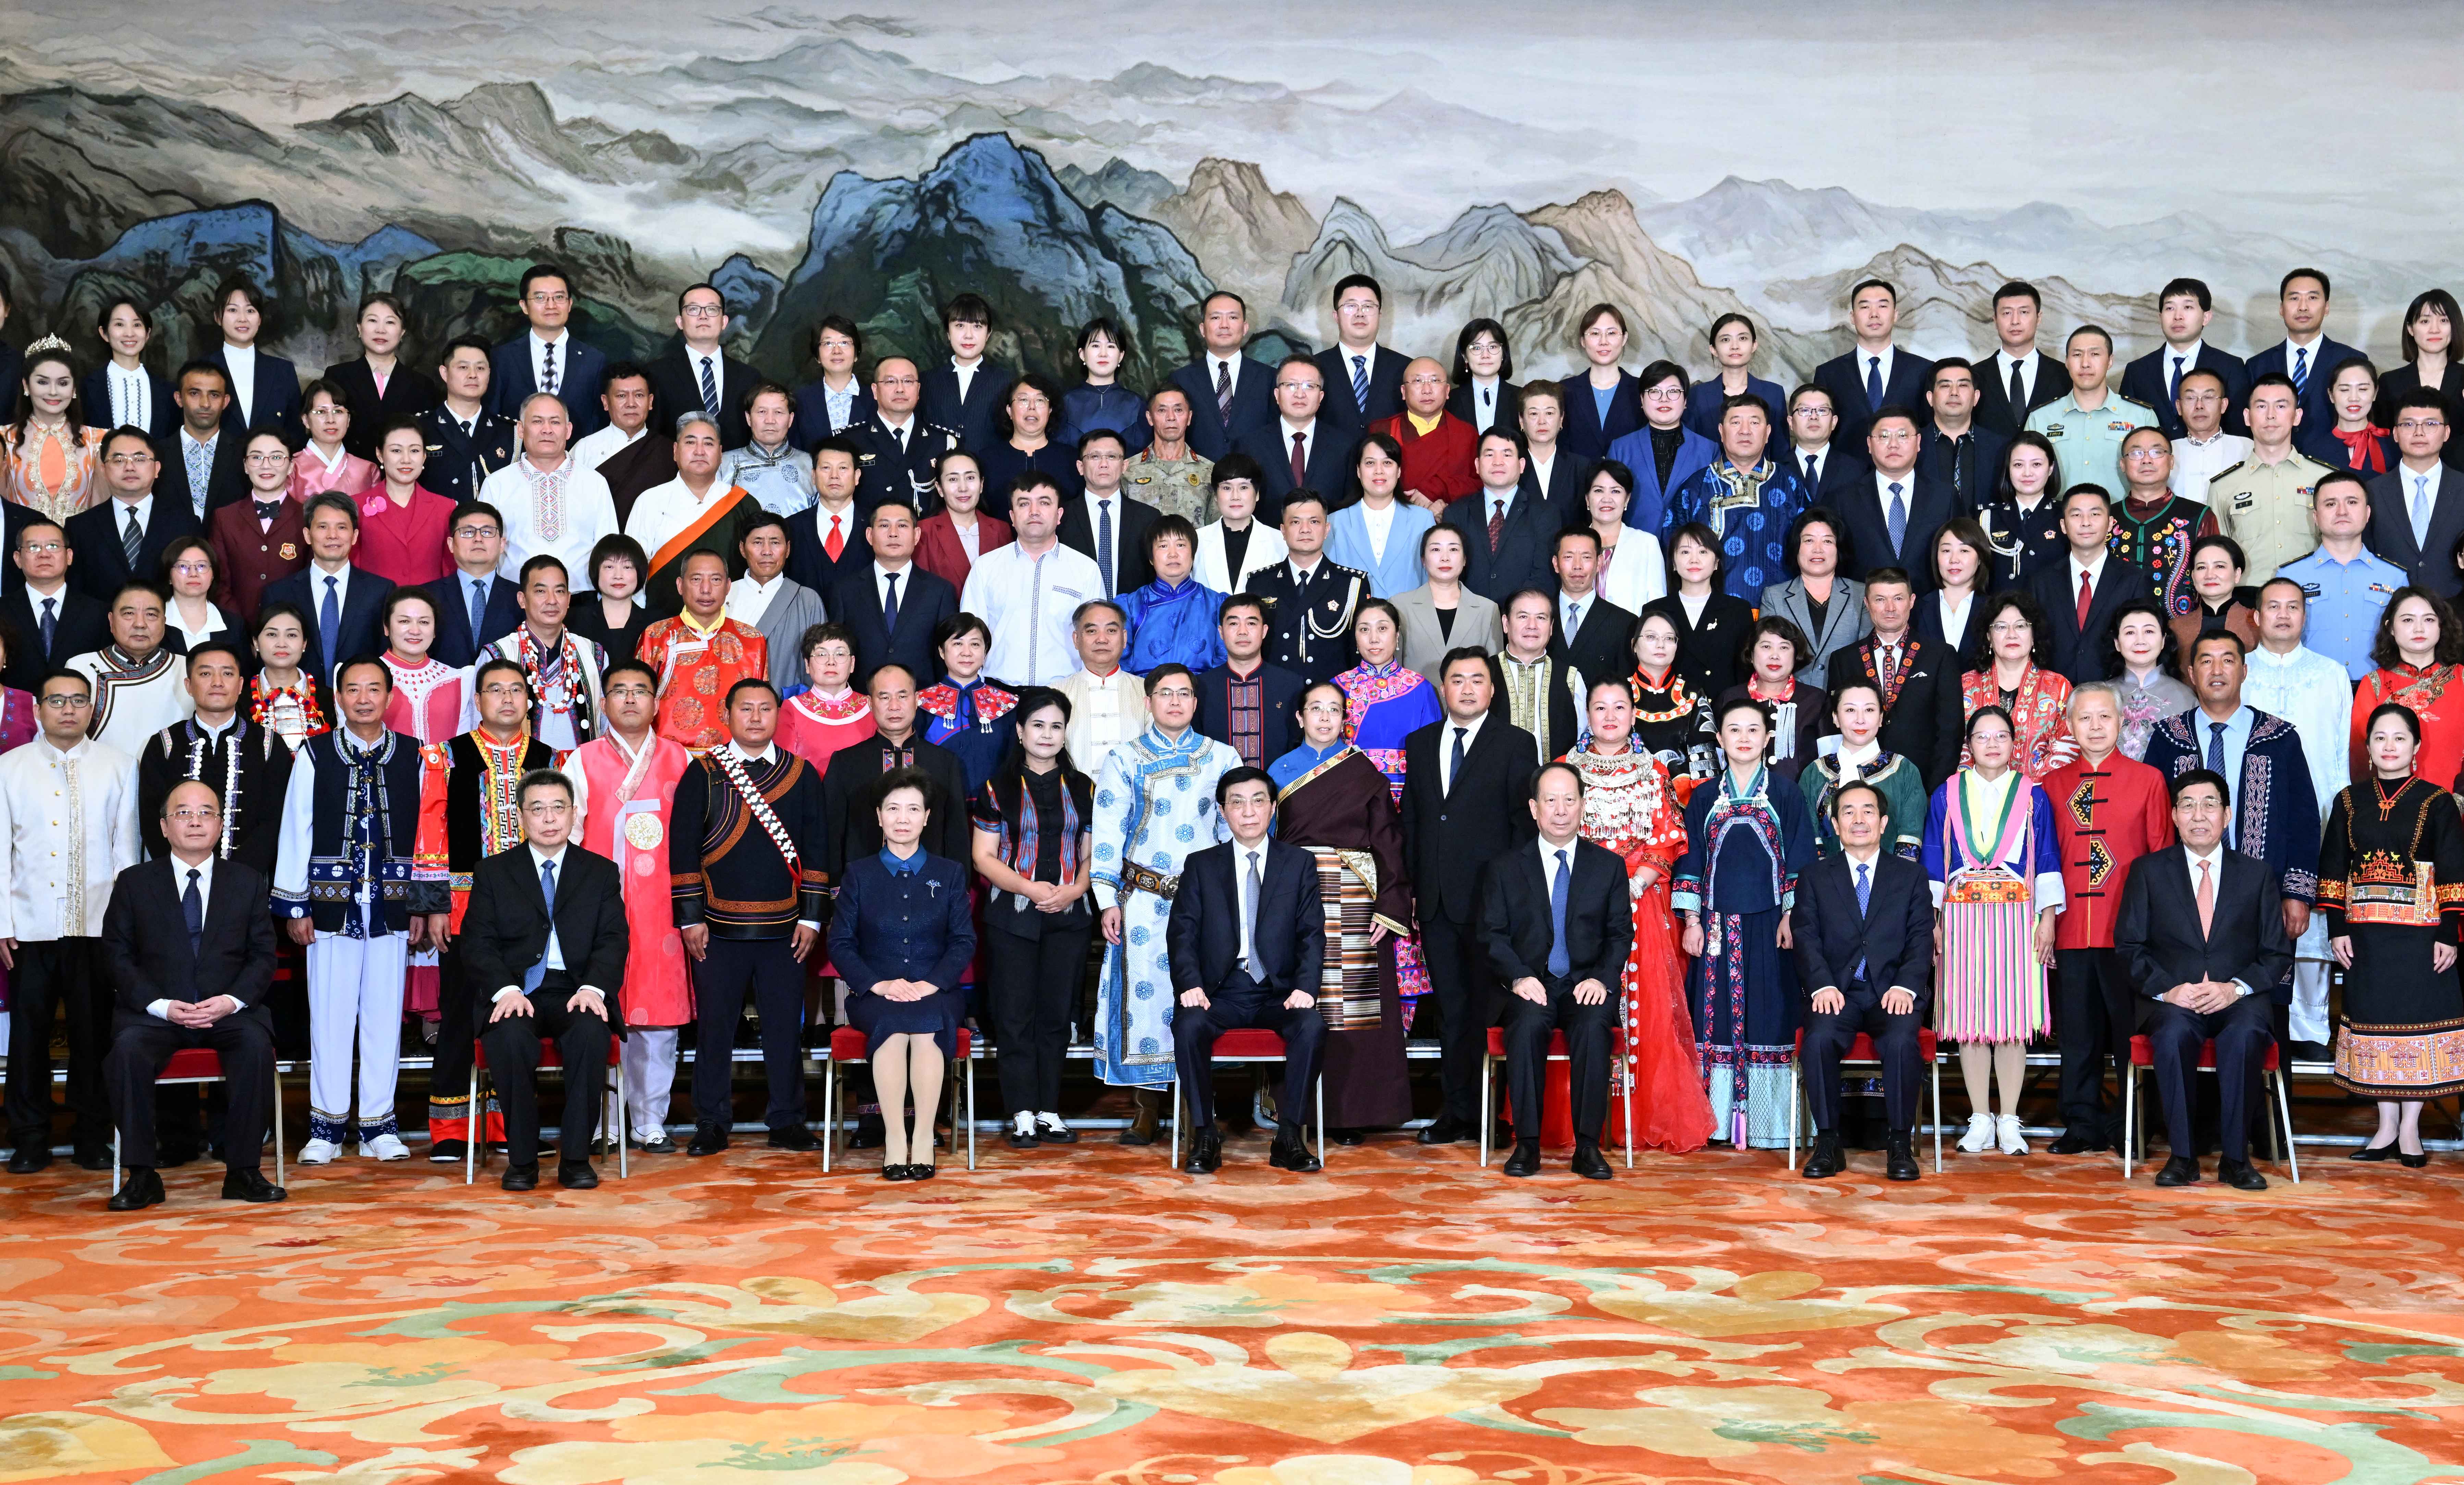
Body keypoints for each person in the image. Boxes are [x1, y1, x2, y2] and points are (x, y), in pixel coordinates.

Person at [270, 658, 436, 1163]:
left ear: (390, 697)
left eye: (374, 689)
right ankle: (326, 1129)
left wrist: (422, 904)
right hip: (328, 908)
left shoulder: (414, 755)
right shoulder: (314, 753)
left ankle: (378, 1128)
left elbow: (428, 838)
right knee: (330, 1018)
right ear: (338, 698)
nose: (364, 699)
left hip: (392, 907)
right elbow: (295, 828)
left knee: (385, 1018)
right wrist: (296, 905)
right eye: (353, 690)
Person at [99, 780, 284, 1208]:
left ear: (221, 825)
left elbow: (263, 956)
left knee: (256, 1046)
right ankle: (142, 1176)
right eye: (183, 813)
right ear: (165, 827)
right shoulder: (134, 883)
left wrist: (231, 1002)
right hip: (157, 1014)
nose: (195, 821)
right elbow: (117, 955)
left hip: (228, 1012)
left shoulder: (247, 882)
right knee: (127, 1051)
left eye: (206, 813)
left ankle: (244, 1172)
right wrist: (161, 1006)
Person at [2113, 768, 2294, 1189]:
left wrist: (2234, 989)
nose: (2198, 815)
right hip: (2175, 999)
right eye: (2188, 806)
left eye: (2209, 805)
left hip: (2237, 999)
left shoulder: (2256, 874)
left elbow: (2275, 953)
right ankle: (2182, 1157)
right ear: (2174, 816)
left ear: (2226, 815)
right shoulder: (2147, 871)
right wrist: (2168, 990)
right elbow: (2129, 946)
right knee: (2173, 1034)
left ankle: (2236, 1159)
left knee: (2245, 1035)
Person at [671, 679, 826, 1155]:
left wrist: (812, 918)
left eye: (765, 709)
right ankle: (711, 1121)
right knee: (715, 1028)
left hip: (786, 929)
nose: (756, 718)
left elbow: (816, 848)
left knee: (784, 1029)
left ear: (778, 715)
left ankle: (787, 1120)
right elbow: (683, 849)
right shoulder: (703, 772)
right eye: (746, 709)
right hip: (716, 929)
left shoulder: (801, 774)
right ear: (727, 714)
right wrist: (690, 917)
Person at [408, 656, 556, 1156]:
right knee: (458, 1013)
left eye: (516, 690)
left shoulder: (549, 758)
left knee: (519, 1014)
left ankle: (512, 1127)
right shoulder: (447, 757)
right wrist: (435, 906)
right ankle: (453, 1131)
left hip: (532, 909)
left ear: (528, 700)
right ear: (477, 700)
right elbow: (431, 833)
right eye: (496, 690)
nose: (507, 699)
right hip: (463, 907)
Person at [1563, 677, 1715, 1154]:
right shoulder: (1565, 769)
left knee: (1645, 1010)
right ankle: (1577, 1120)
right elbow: (1555, 833)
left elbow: (1667, 839)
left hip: (1641, 901)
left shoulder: (1653, 771)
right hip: (1577, 902)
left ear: (1633, 715)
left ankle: (1642, 1115)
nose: (1609, 717)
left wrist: (1630, 887)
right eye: (1600, 707)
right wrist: (1594, 891)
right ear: (1587, 714)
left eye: (1619, 708)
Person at [0, 669, 141, 1174]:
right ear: (38, 709)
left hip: (98, 924)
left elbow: (127, 851)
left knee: (93, 1035)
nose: (68, 709)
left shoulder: (119, 766)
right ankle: (29, 1138)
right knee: (28, 1037)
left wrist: (126, 927)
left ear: (92, 708)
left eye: (78, 700)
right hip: (30, 925)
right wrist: (2, 922)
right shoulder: (10, 767)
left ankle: (92, 1136)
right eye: (57, 700)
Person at [1091, 665, 1240, 1139]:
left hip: (1204, 901)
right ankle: (1147, 1105)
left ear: (1196, 702)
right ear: (1148, 701)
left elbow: (1233, 831)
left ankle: (1197, 1109)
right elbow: (1108, 830)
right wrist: (1106, 898)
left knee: (1200, 996)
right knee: (1146, 999)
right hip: (1143, 899)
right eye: (1165, 693)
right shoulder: (1123, 758)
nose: (1175, 702)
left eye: (1184, 694)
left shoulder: (1222, 757)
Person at [462, 768, 627, 1190]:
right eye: (537, 809)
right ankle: (522, 1161)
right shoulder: (493, 872)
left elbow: (613, 940)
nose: (549, 818)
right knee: (509, 1037)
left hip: (576, 990)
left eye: (558, 807)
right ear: (520, 816)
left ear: (574, 813)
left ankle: (576, 1159)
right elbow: (478, 943)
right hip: (516, 991)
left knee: (590, 1033)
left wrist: (593, 988)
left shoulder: (600, 872)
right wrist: (505, 990)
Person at [1403, 648, 1539, 1144]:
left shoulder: (1515, 743)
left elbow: (1522, 827)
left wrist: (1515, 899)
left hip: (1491, 904)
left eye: (1476, 679)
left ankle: (1492, 1116)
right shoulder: (1419, 743)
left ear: (1491, 689)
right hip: (1436, 902)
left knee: (1491, 1010)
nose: (1466, 688)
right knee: (1451, 1010)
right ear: (1442, 688)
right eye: (1456, 679)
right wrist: (1414, 889)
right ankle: (1456, 1113)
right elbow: (1414, 821)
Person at [1269, 683, 1415, 1143]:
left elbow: (1388, 839)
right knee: (1305, 996)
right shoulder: (1278, 771)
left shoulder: (1363, 770)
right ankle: (1298, 1110)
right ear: (1299, 718)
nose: (1325, 718)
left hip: (1354, 897)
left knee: (1354, 1006)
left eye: (1334, 710)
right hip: (1297, 894)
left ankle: (1352, 1114)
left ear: (1344, 719)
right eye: (1316, 709)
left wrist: (1389, 905)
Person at [2322, 703, 2464, 1167]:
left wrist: (2448, 932)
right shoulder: (2348, 801)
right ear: (2367, 748)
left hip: (2422, 935)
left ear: (2415, 746)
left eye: (2399, 738)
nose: (2389, 746)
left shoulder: (2437, 801)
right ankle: (2384, 1127)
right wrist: (2336, 928)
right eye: (2379, 738)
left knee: (2416, 1022)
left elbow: (2452, 867)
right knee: (2373, 1021)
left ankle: (2409, 1129)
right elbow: (2333, 867)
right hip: (2364, 935)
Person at [1167, 766, 1327, 1174]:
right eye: (1236, 803)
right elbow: (1182, 932)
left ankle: (1289, 1136)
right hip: (1220, 992)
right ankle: (1204, 1135)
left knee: (1311, 1026)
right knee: (1188, 1025)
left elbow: (1311, 933)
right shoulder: (1202, 865)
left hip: (1278, 993)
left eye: (1258, 801)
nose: (1248, 811)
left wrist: (1306, 987)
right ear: (1223, 811)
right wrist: (1190, 984)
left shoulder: (1298, 863)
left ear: (1272, 808)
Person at [1923, 705, 2063, 1157]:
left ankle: (2009, 1119)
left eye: (2000, 736)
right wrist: (1932, 921)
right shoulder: (1946, 793)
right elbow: (1933, 857)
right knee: (1968, 1021)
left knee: (2011, 1021)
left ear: (2013, 743)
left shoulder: (2032, 794)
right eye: (1981, 736)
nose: (1991, 744)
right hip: (1960, 917)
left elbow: (2047, 857)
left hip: (2017, 917)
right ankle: (1980, 1118)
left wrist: (2048, 919)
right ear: (1968, 745)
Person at [2040, 683, 2174, 1154]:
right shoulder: (2051, 786)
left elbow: (2162, 859)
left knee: (2128, 1034)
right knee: (2077, 1036)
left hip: (2129, 935)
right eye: (2084, 718)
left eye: (2104, 717)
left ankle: (2131, 1126)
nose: (2095, 727)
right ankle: (2081, 1125)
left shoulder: (2148, 780)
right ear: (2069, 725)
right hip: (2070, 930)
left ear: (2121, 722)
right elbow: (2044, 861)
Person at [1675, 696, 1814, 1147]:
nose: (1743, 738)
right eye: (1733, 730)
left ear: (1768, 738)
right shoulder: (1702, 797)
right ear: (1719, 738)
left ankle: (1770, 1127)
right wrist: (1691, 920)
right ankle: (1715, 1122)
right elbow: (1691, 861)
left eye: (1753, 730)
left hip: (1770, 926)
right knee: (1712, 1020)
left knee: (1771, 1013)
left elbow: (1799, 860)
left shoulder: (1786, 793)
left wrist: (1791, 914)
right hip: (1715, 925)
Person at [1483, 758, 1631, 1179]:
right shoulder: (1505, 867)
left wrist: (1602, 977)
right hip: (1532, 982)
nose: (1560, 810)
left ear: (1583, 804)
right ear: (1534, 808)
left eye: (1569, 800)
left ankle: (1587, 1147)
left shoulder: (1608, 866)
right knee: (1527, 1024)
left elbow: (1620, 933)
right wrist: (1518, 976)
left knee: (1592, 1026)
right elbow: (1492, 935)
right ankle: (1527, 1145)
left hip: (1585, 982)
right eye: (1550, 801)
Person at [572, 661, 693, 1154]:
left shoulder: (681, 759)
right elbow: (568, 836)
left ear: (656, 703)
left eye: (640, 690)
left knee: (658, 1017)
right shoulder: (581, 759)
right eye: (618, 691)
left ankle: (650, 1121)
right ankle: (607, 1123)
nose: (629, 699)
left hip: (663, 907)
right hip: (600, 907)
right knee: (601, 1010)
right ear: (603, 704)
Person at [831, 768, 976, 1181]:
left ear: (927, 817)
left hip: (937, 991)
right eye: (893, 809)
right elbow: (840, 943)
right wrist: (879, 985)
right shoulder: (859, 874)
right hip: (874, 994)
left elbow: (963, 941)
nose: (902, 818)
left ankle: (924, 1136)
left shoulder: (949, 873)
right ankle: (895, 1139)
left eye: (913, 809)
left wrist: (930, 984)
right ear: (879, 816)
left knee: (927, 1026)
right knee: (893, 1028)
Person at [2142, 634, 2324, 954]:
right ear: (2191, 673)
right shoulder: (2168, 738)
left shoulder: (2280, 738)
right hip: (2183, 898)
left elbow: (2304, 821)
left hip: (2264, 895)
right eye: (2206, 661)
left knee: (2261, 984)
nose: (2217, 670)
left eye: (2228, 660)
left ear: (2244, 671)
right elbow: (2151, 820)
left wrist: (2297, 894)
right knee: (2190, 983)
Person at [1791, 778, 1933, 1181]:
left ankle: (1899, 1143)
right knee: (1818, 1039)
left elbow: (1921, 938)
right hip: (1837, 991)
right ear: (1835, 825)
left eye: (1868, 811)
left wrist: (1905, 986)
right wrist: (1821, 985)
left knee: (1902, 1040)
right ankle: (1827, 1142)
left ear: (1883, 822)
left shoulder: (1910, 876)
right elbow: (1805, 936)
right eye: (1848, 812)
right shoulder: (1815, 877)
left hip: (1891, 992)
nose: (1858, 820)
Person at [971, 690, 1094, 1148]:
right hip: (1012, 917)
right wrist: (1029, 888)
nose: (1047, 735)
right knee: (1015, 1014)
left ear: (1065, 733)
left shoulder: (1083, 788)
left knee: (1056, 1015)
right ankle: (1021, 1111)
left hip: (1070, 915)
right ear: (1020, 731)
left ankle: (1049, 1110)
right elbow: (983, 857)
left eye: (1056, 726)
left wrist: (1074, 890)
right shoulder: (995, 787)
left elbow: (1091, 853)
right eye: (1038, 725)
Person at [2242, 576, 2357, 1059]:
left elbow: (2340, 752)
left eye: (2293, 607)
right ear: (2256, 616)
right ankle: (2253, 1017)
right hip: (2251, 816)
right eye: (2273, 606)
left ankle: (2308, 1028)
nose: (2283, 615)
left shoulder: (2330, 674)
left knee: (2310, 916)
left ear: (2305, 617)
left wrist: (2342, 817)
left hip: (2320, 813)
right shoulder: (2239, 668)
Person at [134, 643, 292, 873]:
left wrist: (236, 878)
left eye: (227, 673)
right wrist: (183, 873)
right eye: (206, 674)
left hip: (249, 881)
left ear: (241, 685)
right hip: (177, 880)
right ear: (189, 685)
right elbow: (151, 820)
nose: (218, 682)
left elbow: (275, 821)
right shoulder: (164, 744)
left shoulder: (269, 744)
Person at [816, 665, 972, 887]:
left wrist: (956, 895)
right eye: (884, 697)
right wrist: (836, 896)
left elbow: (957, 838)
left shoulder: (945, 763)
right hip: (862, 893)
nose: (894, 706)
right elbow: (830, 838)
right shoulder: (845, 763)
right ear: (870, 703)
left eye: (902, 696)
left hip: (930, 892)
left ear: (917, 700)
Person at [962, 474, 1105, 688]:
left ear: (1059, 515)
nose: (1034, 512)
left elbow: (1096, 638)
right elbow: (969, 637)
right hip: (997, 693)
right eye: (1024, 504)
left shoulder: (1086, 569)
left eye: (1044, 503)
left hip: (1065, 693)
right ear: (1012, 516)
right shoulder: (985, 568)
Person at [1825, 568, 1963, 788]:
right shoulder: (1844, 660)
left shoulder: (1940, 655)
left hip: (1920, 782)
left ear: (1912, 601)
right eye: (1880, 600)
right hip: (1856, 784)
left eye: (1898, 599)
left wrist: (1935, 790)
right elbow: (1834, 727)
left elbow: (1951, 730)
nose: (1890, 608)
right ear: (1867, 604)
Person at [1662, 395, 1804, 607]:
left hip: (1780, 611)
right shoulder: (1695, 487)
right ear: (1721, 431)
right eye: (1736, 422)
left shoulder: (1790, 484)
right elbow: (1671, 550)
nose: (1745, 431)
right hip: (1711, 611)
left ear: (1768, 433)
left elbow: (1810, 547)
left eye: (1754, 423)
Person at [480, 394, 621, 592]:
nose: (547, 430)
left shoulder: (594, 483)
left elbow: (609, 551)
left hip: (582, 600)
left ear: (568, 430)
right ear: (521, 429)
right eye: (537, 421)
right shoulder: (496, 484)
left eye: (555, 422)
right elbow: (485, 552)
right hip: (515, 600)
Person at [625, 414, 767, 607]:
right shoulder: (649, 502)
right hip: (662, 620)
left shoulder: (744, 505)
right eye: (691, 442)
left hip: (732, 618)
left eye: (708, 444)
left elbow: (759, 572)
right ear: (675, 451)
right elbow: (632, 572)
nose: (700, 451)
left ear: (721, 453)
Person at [2279, 472, 2406, 680]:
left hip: (2379, 690)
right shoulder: (2289, 576)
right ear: (2315, 517)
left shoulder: (2395, 577)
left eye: (2352, 502)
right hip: (2309, 688)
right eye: (2331, 504)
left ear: (2368, 513)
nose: (2342, 511)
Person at [637, 550, 768, 753]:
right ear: (680, 585)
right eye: (696, 579)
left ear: (728, 586)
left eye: (716, 580)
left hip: (734, 757)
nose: (706, 590)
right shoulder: (656, 635)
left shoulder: (752, 640)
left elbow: (762, 707)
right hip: (667, 756)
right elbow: (638, 704)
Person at [2208, 373, 2333, 583]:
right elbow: (2217, 556)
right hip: (2248, 597)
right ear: (2247, 417)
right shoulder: (2223, 487)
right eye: (2261, 406)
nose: (2271, 416)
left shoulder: (2325, 479)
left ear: (2297, 416)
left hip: (2311, 593)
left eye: (2281, 406)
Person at [480, 557, 610, 756]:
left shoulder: (594, 654)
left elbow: (607, 725)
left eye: (560, 591)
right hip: (518, 771)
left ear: (569, 599)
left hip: (583, 769)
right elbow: (477, 727)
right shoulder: (497, 656)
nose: (552, 600)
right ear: (522, 600)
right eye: (541, 591)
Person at [66, 426, 203, 601]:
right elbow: (75, 594)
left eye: (139, 459)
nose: (129, 467)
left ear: (157, 469)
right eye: (119, 460)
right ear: (103, 469)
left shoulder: (186, 525)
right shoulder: (80, 528)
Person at [1245, 492, 1367, 686]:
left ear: (1326, 530)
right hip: (1276, 694)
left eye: (1314, 522)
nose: (1305, 530)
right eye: (1296, 522)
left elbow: (1358, 653)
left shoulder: (1352, 584)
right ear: (1283, 531)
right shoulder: (1259, 583)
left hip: (1331, 697)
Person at [2352, 587, 2464, 793]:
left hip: (2456, 801)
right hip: (2391, 804)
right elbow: (2361, 756)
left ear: (2441, 626)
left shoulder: (2462, 679)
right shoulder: (2374, 683)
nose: (2419, 629)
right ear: (2391, 628)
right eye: (2408, 620)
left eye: (2429, 620)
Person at [1332, 600, 1442, 806]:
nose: (1374, 639)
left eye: (1382, 629)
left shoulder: (1421, 688)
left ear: (1397, 635)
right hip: (1349, 800)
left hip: (1410, 801)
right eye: (1364, 630)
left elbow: (1434, 756)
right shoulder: (1337, 687)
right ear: (1355, 638)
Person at [2026, 485, 2139, 684]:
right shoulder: (2041, 583)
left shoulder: (2134, 580)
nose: (2086, 523)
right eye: (2076, 515)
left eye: (2095, 514)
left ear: (2111, 523)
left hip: (2115, 693)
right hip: (2053, 693)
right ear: (2063, 525)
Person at [66, 582, 195, 757]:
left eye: (151, 615)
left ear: (164, 622)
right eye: (129, 614)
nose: (140, 624)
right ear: (111, 621)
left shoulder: (188, 669)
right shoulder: (80, 667)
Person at [1802, 680, 1926, 859]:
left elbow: (1910, 839)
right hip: (1826, 875)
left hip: (1891, 876)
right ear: (1836, 718)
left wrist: (1893, 877)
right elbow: (1809, 839)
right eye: (1850, 710)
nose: (1860, 720)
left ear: (1881, 718)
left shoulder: (1904, 770)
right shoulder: (1815, 773)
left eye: (1869, 710)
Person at [1960, 590, 2076, 781]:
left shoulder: (2058, 687)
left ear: (2034, 635)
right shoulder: (1965, 685)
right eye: (2001, 627)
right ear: (1989, 636)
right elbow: (1955, 746)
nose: (2012, 635)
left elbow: (2067, 748)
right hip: (1973, 793)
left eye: (2021, 626)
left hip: (2038, 793)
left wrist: (2027, 790)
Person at [2027, 325, 2159, 491]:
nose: (2085, 364)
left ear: (2110, 361)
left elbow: (2157, 476)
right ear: (2067, 362)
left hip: (2121, 508)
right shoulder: (2040, 418)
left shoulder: (2141, 416)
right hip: (2059, 508)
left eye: (2095, 354)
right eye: (2077, 355)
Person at [2120, 277, 2251, 440]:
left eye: (2188, 307)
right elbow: (2127, 431)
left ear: (2206, 317)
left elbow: (2238, 433)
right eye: (2170, 308)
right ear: (2160, 317)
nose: (2178, 316)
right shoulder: (2137, 371)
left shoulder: (2230, 367)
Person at [2110, 427, 2219, 619]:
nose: (2146, 460)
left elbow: (2215, 580)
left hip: (2184, 629)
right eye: (2136, 453)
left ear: (2171, 461)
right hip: (2112, 628)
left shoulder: (2198, 516)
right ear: (2123, 465)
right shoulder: (2106, 517)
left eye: (2157, 452)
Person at [485, 264, 609, 431]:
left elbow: (600, 422)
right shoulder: (501, 358)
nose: (551, 305)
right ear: (524, 306)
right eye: (540, 298)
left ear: (570, 304)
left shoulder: (594, 360)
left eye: (559, 297)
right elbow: (491, 419)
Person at [203, 429, 306, 629]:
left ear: (291, 466)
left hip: (292, 630)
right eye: (257, 457)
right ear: (245, 466)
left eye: (277, 457)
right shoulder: (224, 518)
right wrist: (239, 628)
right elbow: (219, 583)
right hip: (236, 630)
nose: (266, 465)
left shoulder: (307, 517)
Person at [1838, 409, 1951, 587]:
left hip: (1929, 602)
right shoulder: (1844, 500)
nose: (1893, 444)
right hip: (1863, 602)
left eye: (1903, 435)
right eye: (1884, 436)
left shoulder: (1945, 497)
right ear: (1869, 444)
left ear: (1918, 442)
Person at [1815, 278, 1934, 447]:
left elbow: (1928, 430)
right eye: (1865, 307)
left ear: (1895, 315)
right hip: (1845, 464)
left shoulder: (1923, 370)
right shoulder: (1829, 374)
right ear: (1852, 317)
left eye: (1883, 306)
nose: (1874, 314)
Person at [2365, 389, 2460, 597]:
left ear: (2446, 433)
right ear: (2395, 434)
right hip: (2388, 607)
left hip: (2456, 608)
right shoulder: (2371, 492)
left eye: (2430, 424)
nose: (2419, 432)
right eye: (2408, 424)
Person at [1193, 594, 1304, 770]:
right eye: (1234, 624)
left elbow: (1298, 747)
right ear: (1221, 632)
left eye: (1251, 623)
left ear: (1264, 631)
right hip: (1216, 785)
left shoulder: (1291, 685)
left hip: (1279, 784)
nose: (1243, 631)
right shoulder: (1201, 687)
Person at [723, 512, 830, 696]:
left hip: (790, 709)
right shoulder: (724, 595)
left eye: (775, 542)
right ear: (742, 549)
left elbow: (821, 667)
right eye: (758, 542)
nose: (767, 551)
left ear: (788, 549)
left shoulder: (807, 600)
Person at [1642, 524, 1753, 698]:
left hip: (1723, 708)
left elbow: (1745, 672)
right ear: (1673, 563)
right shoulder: (1654, 610)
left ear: (1716, 563)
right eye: (1685, 552)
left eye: (1703, 552)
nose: (1694, 560)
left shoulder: (1738, 610)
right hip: (1668, 707)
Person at [2246, 268, 2363, 432]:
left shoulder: (2352, 361)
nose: (2303, 307)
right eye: (2294, 298)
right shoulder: (2257, 366)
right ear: (2282, 308)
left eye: (2312, 298)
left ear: (2327, 307)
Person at [1607, 361, 1716, 535]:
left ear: (1685, 401)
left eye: (1673, 391)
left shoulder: (1709, 450)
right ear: (1642, 400)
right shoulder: (1621, 449)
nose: (1664, 399)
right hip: (1635, 546)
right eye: (1655, 391)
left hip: (1690, 547)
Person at [1761, 507, 1867, 686]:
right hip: (1793, 697)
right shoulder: (1774, 597)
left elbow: (1867, 654)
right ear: (1797, 548)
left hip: (1847, 695)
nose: (1818, 549)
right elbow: (1767, 655)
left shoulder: (1861, 594)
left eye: (1827, 541)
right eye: (1809, 540)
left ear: (1839, 549)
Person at [1450, 428, 1557, 604]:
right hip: (1468, 615)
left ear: (1522, 465)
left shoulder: (1545, 514)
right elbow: (1450, 576)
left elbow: (1544, 575)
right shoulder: (1456, 513)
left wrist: (1514, 613)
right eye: (1490, 455)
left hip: (1523, 616)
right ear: (1477, 465)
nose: (1498, 462)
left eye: (1507, 455)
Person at [915, 613, 1018, 796]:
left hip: (994, 805)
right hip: (938, 804)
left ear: (985, 652)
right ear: (942, 651)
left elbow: (1012, 763)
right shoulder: (921, 703)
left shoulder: (1007, 704)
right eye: (958, 644)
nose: (967, 652)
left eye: (975, 644)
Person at [1170, 290, 1278, 462]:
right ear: (1202, 329)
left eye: (1233, 318)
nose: (1224, 325)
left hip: (1256, 475)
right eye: (1216, 318)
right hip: (1196, 476)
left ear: (1245, 328)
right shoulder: (1180, 380)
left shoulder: (1270, 378)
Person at [1235, 355, 1350, 516]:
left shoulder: (1345, 447)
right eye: (1291, 385)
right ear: (1277, 395)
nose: (1300, 394)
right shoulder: (1250, 446)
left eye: (1309, 386)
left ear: (1321, 397)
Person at [351, 417, 456, 591]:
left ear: (424, 456)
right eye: (396, 451)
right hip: (376, 605)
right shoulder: (356, 506)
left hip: (429, 604)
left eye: (414, 451)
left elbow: (450, 571)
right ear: (380, 455)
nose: (406, 460)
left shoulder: (446, 508)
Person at [1, 521, 107, 692]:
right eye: (34, 547)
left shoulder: (99, 613)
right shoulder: (3, 611)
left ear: (69, 556)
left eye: (53, 546)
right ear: (18, 559)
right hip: (14, 707)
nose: (44, 554)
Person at [4, 340, 105, 523]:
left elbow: (101, 511)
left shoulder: (98, 441)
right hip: (18, 540)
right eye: (43, 382)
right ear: (26, 386)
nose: (53, 392)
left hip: (78, 540)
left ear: (74, 389)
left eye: (63, 383)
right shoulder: (4, 439)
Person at [1328, 432, 1438, 597]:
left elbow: (1432, 583)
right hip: (1354, 613)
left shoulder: (1423, 520)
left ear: (1399, 471)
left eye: (1387, 463)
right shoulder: (1335, 522)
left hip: (1409, 613)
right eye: (1370, 463)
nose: (1379, 471)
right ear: (1359, 471)